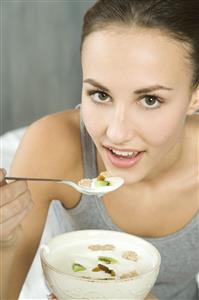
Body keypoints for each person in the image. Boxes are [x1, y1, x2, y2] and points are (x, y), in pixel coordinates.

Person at [0, 0, 199, 299]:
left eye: (149, 100)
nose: (116, 133)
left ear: (195, 97)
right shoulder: (52, 145)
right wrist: (3, 242)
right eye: (100, 94)